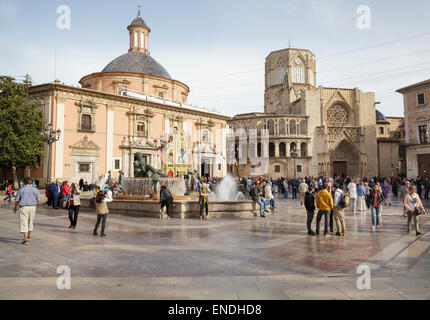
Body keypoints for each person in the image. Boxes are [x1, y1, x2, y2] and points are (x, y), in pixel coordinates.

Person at [13, 178, 41, 245]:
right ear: (31, 183)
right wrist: (32, 200)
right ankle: (29, 235)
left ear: (24, 183)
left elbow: (17, 200)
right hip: (32, 207)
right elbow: (39, 200)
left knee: (24, 222)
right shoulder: (35, 189)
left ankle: (26, 239)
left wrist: (15, 208)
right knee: (30, 221)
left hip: (24, 207)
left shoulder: (21, 190)